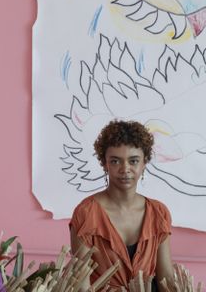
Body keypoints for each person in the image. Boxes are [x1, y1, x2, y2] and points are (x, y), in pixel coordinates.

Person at [70, 120, 174, 290]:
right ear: (104, 163)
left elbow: (166, 279)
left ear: (144, 163)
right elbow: (81, 285)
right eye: (115, 161)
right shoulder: (86, 213)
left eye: (133, 161)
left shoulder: (158, 212)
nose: (125, 169)